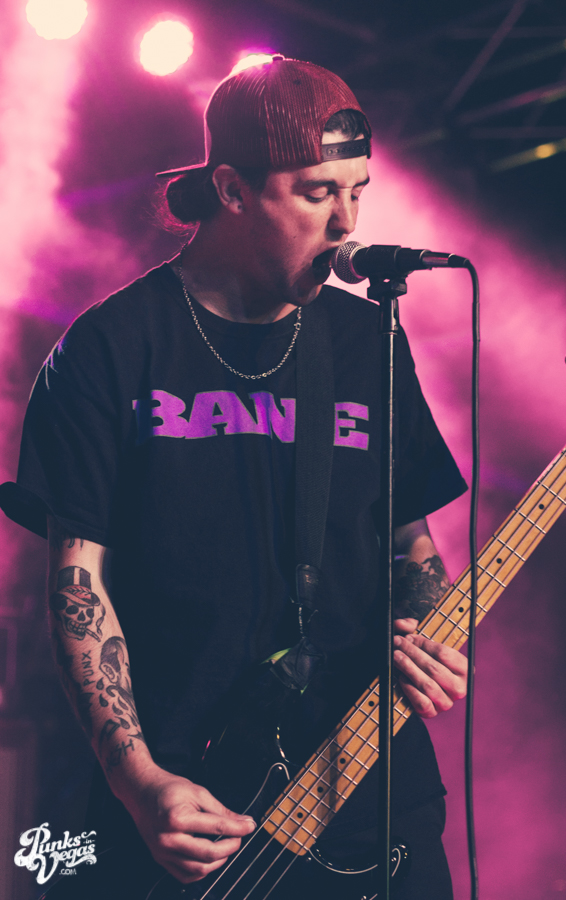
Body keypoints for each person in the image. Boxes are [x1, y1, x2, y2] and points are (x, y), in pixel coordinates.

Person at [0, 55, 468, 899]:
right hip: (198, 806)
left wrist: (427, 632)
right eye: (317, 193)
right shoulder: (112, 348)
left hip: (372, 796)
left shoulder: (367, 343)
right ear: (231, 189)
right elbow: (78, 585)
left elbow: (411, 544)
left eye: (357, 191)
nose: (347, 224)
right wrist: (140, 781)